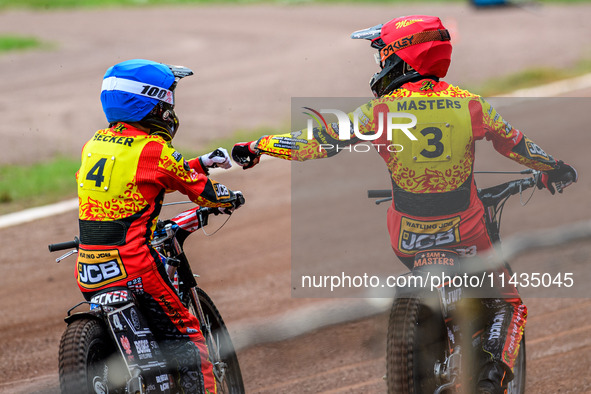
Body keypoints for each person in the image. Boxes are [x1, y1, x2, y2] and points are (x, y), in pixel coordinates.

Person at [231, 15, 577, 394]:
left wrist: (258, 145)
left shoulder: (379, 112)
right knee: (510, 304)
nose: (380, 64)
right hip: (467, 228)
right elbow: (517, 144)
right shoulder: (469, 105)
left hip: (409, 236)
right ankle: (491, 379)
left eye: (383, 54)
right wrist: (555, 168)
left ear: (403, 58)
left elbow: (315, 142)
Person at [76, 59, 243, 394]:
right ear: (153, 102)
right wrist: (227, 197)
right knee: (194, 343)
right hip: (135, 265)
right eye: (169, 98)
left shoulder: (95, 144)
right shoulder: (154, 149)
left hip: (89, 268)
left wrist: (198, 163)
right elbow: (205, 193)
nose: (171, 107)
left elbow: (137, 179)